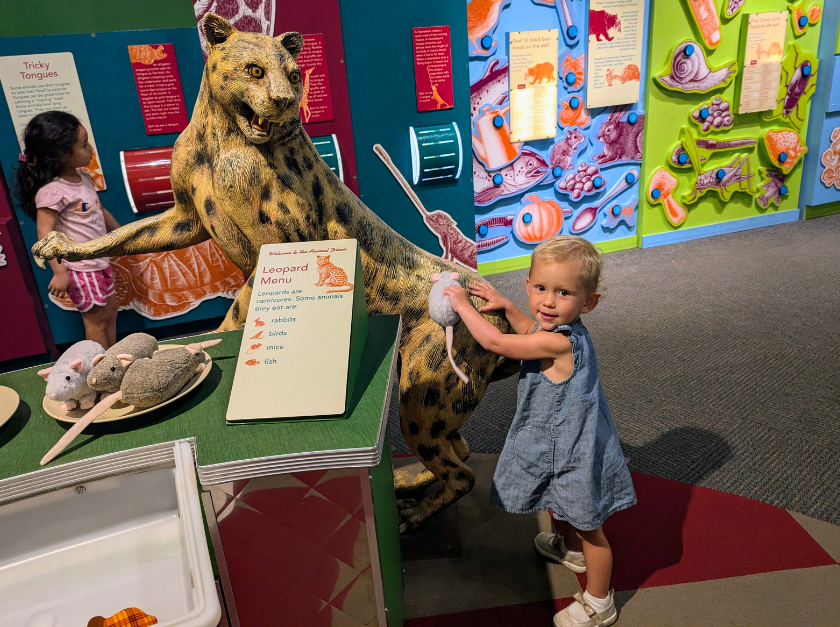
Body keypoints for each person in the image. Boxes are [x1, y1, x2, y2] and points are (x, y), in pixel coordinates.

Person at [443, 235, 635, 627]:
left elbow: (497, 341)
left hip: (571, 448)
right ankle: (571, 551)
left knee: (590, 525)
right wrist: (510, 307)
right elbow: (531, 329)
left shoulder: (560, 344)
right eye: (540, 288)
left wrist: (462, 305)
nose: (548, 301)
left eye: (563, 292)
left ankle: (600, 601)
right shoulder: (562, 331)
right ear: (529, 285)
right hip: (564, 439)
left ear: (589, 302)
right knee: (562, 499)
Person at [14, 111, 120, 348]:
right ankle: (101, 374)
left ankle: (114, 363)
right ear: (62, 155)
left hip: (99, 261)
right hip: (81, 269)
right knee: (96, 322)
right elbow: (45, 235)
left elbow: (99, 211)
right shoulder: (52, 191)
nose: (91, 148)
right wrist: (60, 273)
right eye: (84, 145)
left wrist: (123, 236)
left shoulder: (84, 177)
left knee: (110, 311)